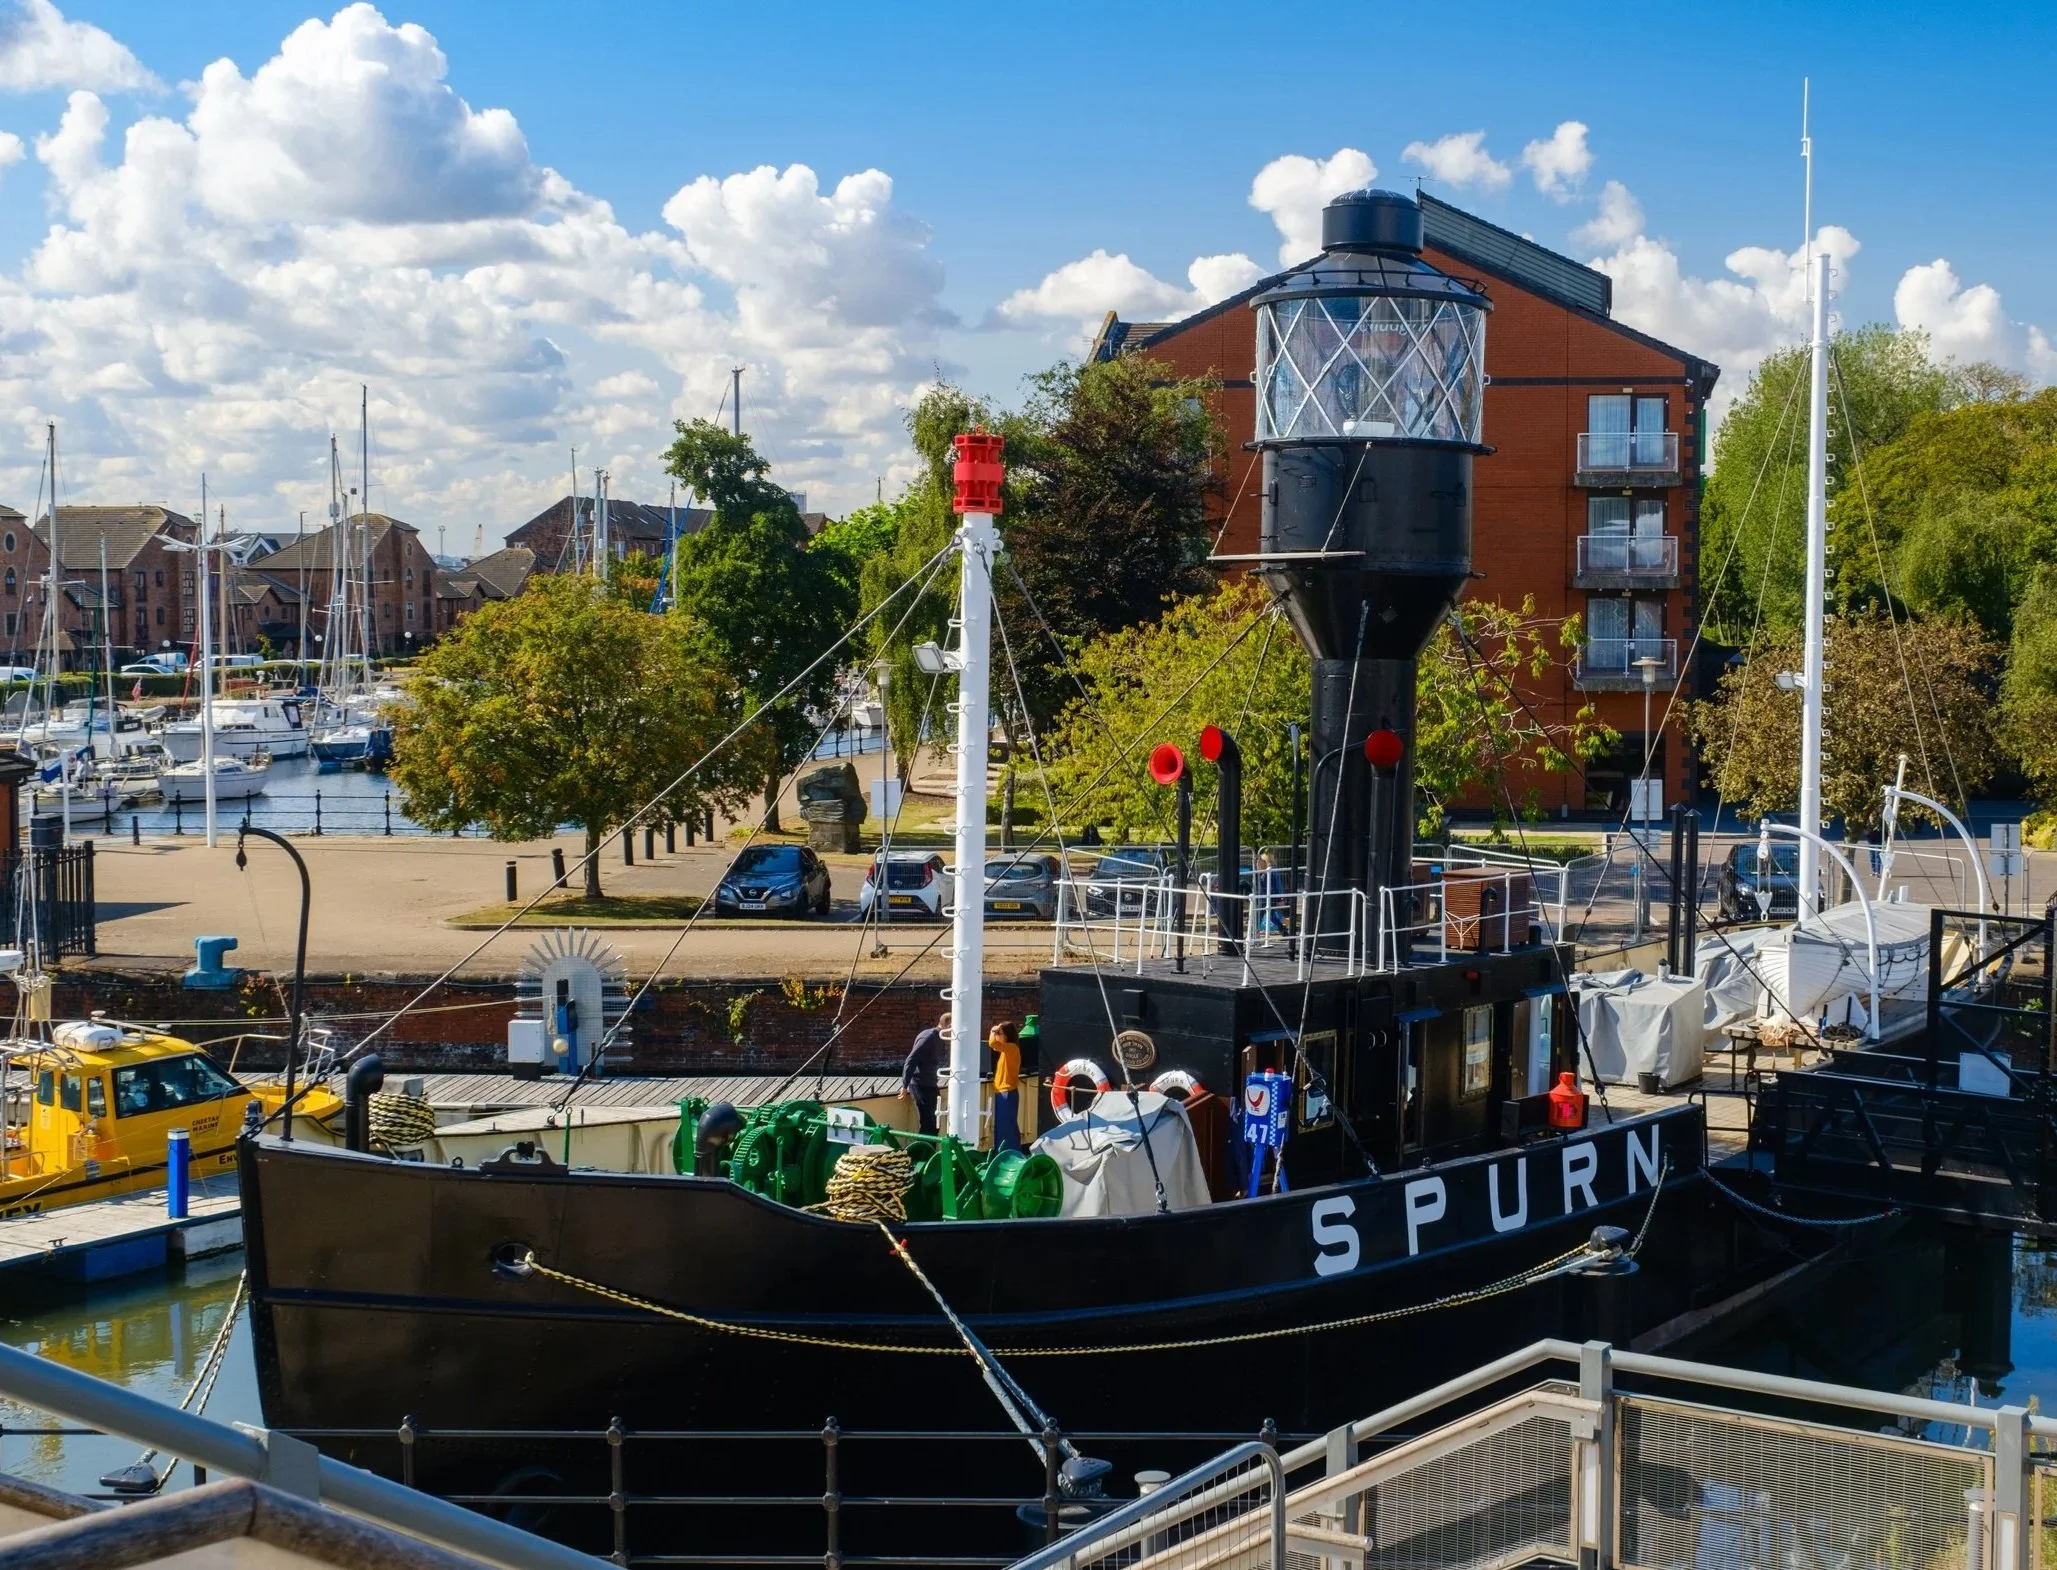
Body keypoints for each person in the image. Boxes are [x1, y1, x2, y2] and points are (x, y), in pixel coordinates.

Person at [899, 1011, 948, 1136]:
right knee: (927, 1123)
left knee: (935, 1123)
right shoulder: (929, 1037)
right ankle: (922, 1154)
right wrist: (905, 1085)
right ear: (946, 1025)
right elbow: (912, 1059)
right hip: (920, 1084)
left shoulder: (939, 1038)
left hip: (930, 1083)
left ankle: (929, 1151)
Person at [988, 1021, 1023, 1153]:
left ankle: (1012, 1153)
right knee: (1002, 1127)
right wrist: (997, 1031)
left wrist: (993, 1029)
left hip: (1007, 1093)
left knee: (1007, 1127)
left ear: (1007, 1035)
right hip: (1003, 1092)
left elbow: (992, 1044)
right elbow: (995, 1046)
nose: (997, 1035)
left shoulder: (1012, 1048)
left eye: (1000, 1033)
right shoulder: (1007, 1049)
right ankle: (1001, 1152)